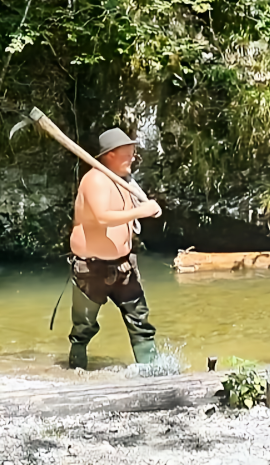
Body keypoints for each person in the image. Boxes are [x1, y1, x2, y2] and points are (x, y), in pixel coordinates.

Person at [67, 127, 163, 370]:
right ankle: (75, 374)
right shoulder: (96, 179)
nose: (133, 157)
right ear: (111, 154)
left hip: (124, 266)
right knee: (84, 326)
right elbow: (102, 217)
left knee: (140, 320)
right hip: (92, 268)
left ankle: (153, 374)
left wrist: (147, 205)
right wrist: (143, 210)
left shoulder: (124, 181)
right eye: (128, 152)